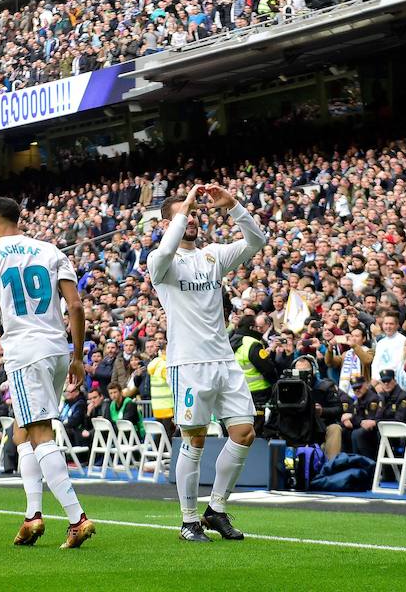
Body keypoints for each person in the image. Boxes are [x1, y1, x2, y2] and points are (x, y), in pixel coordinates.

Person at [0, 196, 95, 549]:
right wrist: (79, 357)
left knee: (39, 434)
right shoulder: (51, 250)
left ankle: (76, 518)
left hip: (25, 352)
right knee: (22, 432)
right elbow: (76, 305)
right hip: (57, 350)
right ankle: (32, 516)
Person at [148, 183, 265, 543]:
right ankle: (188, 521)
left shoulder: (213, 255)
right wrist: (181, 212)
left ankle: (215, 509)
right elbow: (168, 245)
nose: (194, 218)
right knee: (194, 440)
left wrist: (234, 207)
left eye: (196, 213)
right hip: (189, 362)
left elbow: (256, 241)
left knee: (244, 432)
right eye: (186, 214)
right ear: (167, 223)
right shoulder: (161, 262)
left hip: (223, 360)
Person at [229, 315, 278, 436]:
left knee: (239, 427)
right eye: (257, 327)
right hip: (258, 393)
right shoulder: (253, 344)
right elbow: (267, 368)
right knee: (256, 431)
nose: (259, 330)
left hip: (236, 391)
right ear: (251, 327)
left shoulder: (230, 341)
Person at [351, 369, 406, 460]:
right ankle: (365, 465)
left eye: (388, 381)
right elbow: (378, 416)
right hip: (383, 430)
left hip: (399, 432)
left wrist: (376, 422)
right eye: (383, 381)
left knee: (362, 434)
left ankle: (373, 466)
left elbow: (399, 420)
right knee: (357, 433)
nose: (386, 384)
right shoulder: (383, 397)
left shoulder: (403, 397)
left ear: (394, 380)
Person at [325, 328, 373, 397]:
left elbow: (367, 361)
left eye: (357, 336)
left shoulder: (369, 351)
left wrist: (354, 346)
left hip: (363, 390)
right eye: (352, 336)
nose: (353, 338)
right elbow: (330, 363)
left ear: (364, 338)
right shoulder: (346, 354)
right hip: (346, 392)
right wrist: (330, 348)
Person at [145, 341, 175, 438]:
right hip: (168, 405)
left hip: (158, 406)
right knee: (166, 436)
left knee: (160, 434)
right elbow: (173, 382)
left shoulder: (154, 363)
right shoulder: (164, 365)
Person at [371, 312, 406, 377]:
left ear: (397, 325)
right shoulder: (380, 343)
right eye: (386, 324)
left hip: (395, 380)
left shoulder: (403, 341)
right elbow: (375, 364)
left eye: (391, 324)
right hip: (379, 381)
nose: (388, 326)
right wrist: (376, 380)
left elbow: (399, 364)